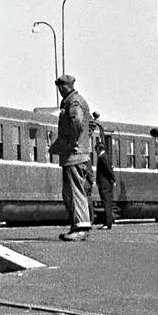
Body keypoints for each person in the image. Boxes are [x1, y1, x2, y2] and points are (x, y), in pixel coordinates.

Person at [49, 75, 95, 240]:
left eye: (60, 87)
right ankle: (76, 225)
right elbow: (90, 124)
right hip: (74, 154)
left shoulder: (73, 102)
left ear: (64, 87)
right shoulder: (76, 100)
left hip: (74, 155)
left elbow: (77, 121)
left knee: (75, 191)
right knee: (69, 192)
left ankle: (81, 227)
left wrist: (73, 141)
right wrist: (83, 138)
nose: (59, 90)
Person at [91, 112, 117, 228]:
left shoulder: (103, 157)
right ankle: (108, 222)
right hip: (106, 184)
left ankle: (108, 223)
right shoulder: (104, 156)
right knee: (107, 203)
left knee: (106, 203)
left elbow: (108, 169)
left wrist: (112, 179)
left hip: (105, 184)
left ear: (98, 149)